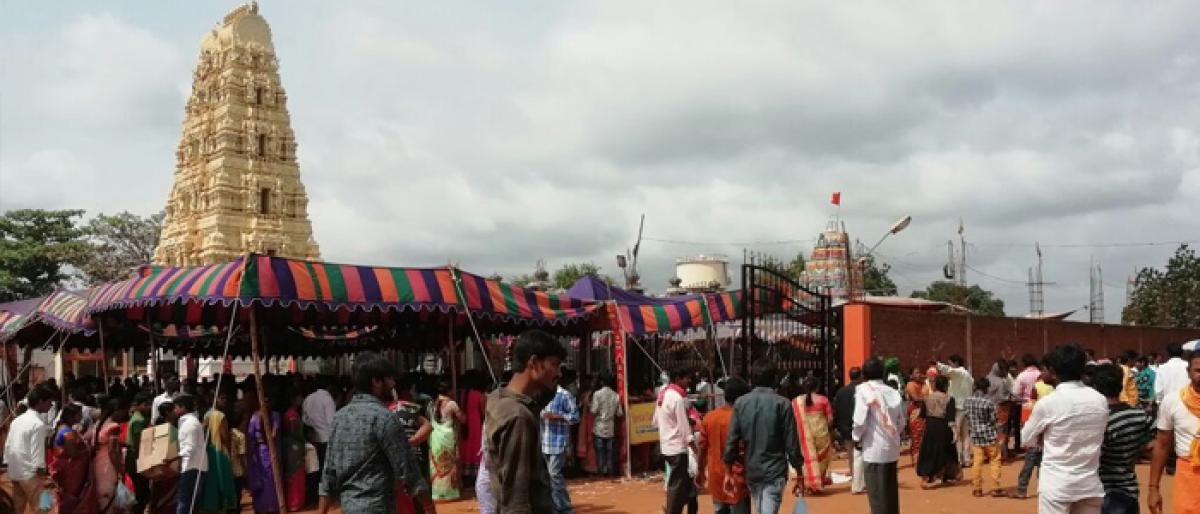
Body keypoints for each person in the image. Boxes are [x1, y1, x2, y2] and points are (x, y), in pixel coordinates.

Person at [318, 353, 419, 514]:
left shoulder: (339, 418)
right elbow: (408, 471)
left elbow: (328, 475)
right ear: (376, 381)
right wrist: (429, 507)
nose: (393, 384)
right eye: (390, 379)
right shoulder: (385, 418)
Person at [1020, 344, 1107, 514]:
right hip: (1089, 484)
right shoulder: (1100, 400)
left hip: (1057, 486)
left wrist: (1043, 437)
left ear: (1053, 371)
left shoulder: (1048, 403)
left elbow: (1026, 439)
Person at [483, 330, 564, 512]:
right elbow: (516, 495)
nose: (559, 373)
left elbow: (543, 396)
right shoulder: (518, 417)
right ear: (533, 362)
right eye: (554, 365)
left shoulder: (498, 397)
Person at [724, 360, 803, 514]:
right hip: (774, 471)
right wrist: (799, 472)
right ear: (775, 379)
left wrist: (728, 472)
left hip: (752, 470)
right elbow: (792, 444)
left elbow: (731, 441)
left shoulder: (741, 403)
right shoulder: (783, 404)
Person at [1088, 363, 1153, 514]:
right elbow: (1151, 443)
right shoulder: (1139, 414)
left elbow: (1095, 457)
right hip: (1129, 489)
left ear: (1096, 387)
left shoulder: (1103, 421)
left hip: (1107, 493)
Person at [1147, 352, 1200, 514]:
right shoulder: (1172, 401)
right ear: (1188, 372)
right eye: (1198, 370)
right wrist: (1153, 488)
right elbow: (1162, 445)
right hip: (1188, 475)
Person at [853, 357, 903, 514]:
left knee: (876, 496)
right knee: (890, 494)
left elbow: (859, 420)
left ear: (864, 374)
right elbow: (901, 422)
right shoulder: (893, 392)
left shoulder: (864, 390)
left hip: (873, 450)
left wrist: (856, 438)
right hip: (892, 448)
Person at [697, 377, 750, 514]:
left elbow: (702, 448)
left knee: (720, 510)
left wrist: (700, 470)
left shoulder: (709, 417)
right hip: (737, 476)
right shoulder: (743, 418)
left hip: (716, 476)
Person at [654, 366, 695, 514]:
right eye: (687, 378)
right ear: (678, 379)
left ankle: (674, 509)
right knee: (677, 484)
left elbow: (655, 421)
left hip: (666, 445)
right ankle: (672, 510)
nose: (689, 381)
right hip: (677, 447)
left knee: (682, 483)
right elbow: (684, 427)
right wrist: (693, 445)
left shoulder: (662, 394)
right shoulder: (676, 398)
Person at [51, 402, 95, 514]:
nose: (81, 417)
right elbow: (73, 453)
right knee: (72, 495)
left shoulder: (65, 428)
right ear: (71, 417)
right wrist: (89, 449)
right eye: (79, 414)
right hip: (71, 471)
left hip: (68, 468)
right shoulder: (67, 433)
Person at [792, 376, 833, 495]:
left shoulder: (797, 401)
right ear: (818, 387)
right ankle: (817, 483)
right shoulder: (823, 400)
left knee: (807, 459)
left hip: (804, 434)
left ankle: (809, 484)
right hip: (821, 434)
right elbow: (830, 419)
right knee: (822, 459)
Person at [916, 375, 959, 488]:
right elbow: (951, 419)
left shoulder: (927, 398)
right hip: (943, 427)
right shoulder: (949, 399)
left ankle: (927, 476)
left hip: (930, 426)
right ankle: (941, 476)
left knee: (929, 450)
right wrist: (955, 432)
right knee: (945, 451)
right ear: (946, 386)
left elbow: (922, 415)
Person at [200, 392, 238, 514]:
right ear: (214, 399)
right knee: (223, 479)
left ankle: (212, 506)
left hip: (209, 451)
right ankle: (223, 505)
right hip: (220, 452)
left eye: (225, 398)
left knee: (212, 480)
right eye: (221, 398)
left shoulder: (207, 414)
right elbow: (225, 437)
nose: (224, 401)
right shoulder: (220, 416)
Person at [964, 376, 1003, 497]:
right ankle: (996, 487)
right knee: (995, 460)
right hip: (990, 435)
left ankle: (977, 488)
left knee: (977, 462)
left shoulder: (968, 401)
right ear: (986, 388)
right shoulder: (989, 402)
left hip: (976, 436)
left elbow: (967, 416)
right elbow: (993, 419)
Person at [94, 396, 130, 513]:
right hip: (109, 465)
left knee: (103, 499)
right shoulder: (114, 427)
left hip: (98, 463)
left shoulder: (100, 423)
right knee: (111, 497)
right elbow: (112, 451)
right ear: (117, 410)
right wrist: (120, 469)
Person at [430, 380, 464, 502]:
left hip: (435, 436)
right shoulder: (452, 404)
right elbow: (463, 419)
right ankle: (450, 492)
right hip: (448, 436)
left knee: (437, 462)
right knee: (450, 462)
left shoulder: (432, 403)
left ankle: (437, 493)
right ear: (448, 390)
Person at [247, 395, 282, 514]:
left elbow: (251, 436)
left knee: (268, 479)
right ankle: (266, 506)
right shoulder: (258, 416)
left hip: (265, 450)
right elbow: (273, 434)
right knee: (266, 479)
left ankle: (268, 506)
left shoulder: (259, 416)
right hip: (263, 450)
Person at [937, 355, 974, 468]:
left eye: (951, 363)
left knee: (956, 434)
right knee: (966, 435)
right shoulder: (968, 376)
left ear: (956, 362)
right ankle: (966, 459)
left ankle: (959, 459)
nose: (950, 365)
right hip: (967, 407)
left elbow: (948, 370)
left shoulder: (959, 372)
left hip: (957, 407)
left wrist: (937, 364)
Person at [833, 367, 864, 494]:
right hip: (861, 426)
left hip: (845, 427)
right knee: (862, 454)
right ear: (860, 376)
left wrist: (837, 426)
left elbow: (836, 410)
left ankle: (854, 477)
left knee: (851, 454)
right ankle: (861, 481)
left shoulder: (841, 392)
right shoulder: (863, 390)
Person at [175, 394, 208, 514]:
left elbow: (190, 447)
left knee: (185, 501)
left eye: (176, 407)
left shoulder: (190, 424)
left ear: (183, 407)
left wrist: (174, 457)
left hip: (192, 466)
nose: (174, 410)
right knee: (190, 502)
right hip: (192, 466)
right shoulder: (187, 422)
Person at [301, 378, 336, 476]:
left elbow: (304, 419)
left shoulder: (308, 398)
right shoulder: (328, 399)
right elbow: (331, 421)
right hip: (325, 440)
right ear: (329, 387)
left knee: (313, 470)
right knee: (324, 470)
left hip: (311, 440)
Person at [589, 374, 622, 476]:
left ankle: (601, 473)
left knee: (600, 452)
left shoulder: (597, 394)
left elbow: (593, 410)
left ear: (602, 382)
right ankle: (609, 472)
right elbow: (619, 413)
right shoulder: (616, 396)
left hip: (599, 427)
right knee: (609, 452)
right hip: (610, 428)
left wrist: (588, 405)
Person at [127, 392, 154, 514]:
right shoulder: (139, 420)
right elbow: (138, 443)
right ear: (137, 405)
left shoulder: (136, 417)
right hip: (136, 457)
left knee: (141, 491)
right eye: (145, 404)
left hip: (134, 456)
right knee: (141, 492)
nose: (148, 407)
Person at [458, 371, 487, 484]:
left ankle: (463, 474)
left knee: (463, 448)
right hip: (475, 426)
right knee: (474, 449)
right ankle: (473, 476)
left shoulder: (457, 393)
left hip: (461, 425)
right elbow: (485, 413)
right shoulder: (479, 395)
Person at [282, 391, 307, 511]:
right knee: (295, 473)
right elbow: (293, 431)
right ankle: (294, 502)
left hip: (292, 445)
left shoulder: (292, 413)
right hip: (294, 446)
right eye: (299, 397)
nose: (301, 399)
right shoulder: (292, 414)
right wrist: (303, 440)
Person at [904, 368, 927, 466]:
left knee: (924, 436)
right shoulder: (910, 385)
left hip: (924, 411)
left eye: (919, 372)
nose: (919, 374)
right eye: (916, 373)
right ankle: (916, 460)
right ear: (911, 376)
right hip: (915, 412)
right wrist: (928, 398)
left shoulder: (923, 384)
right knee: (916, 436)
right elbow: (915, 398)